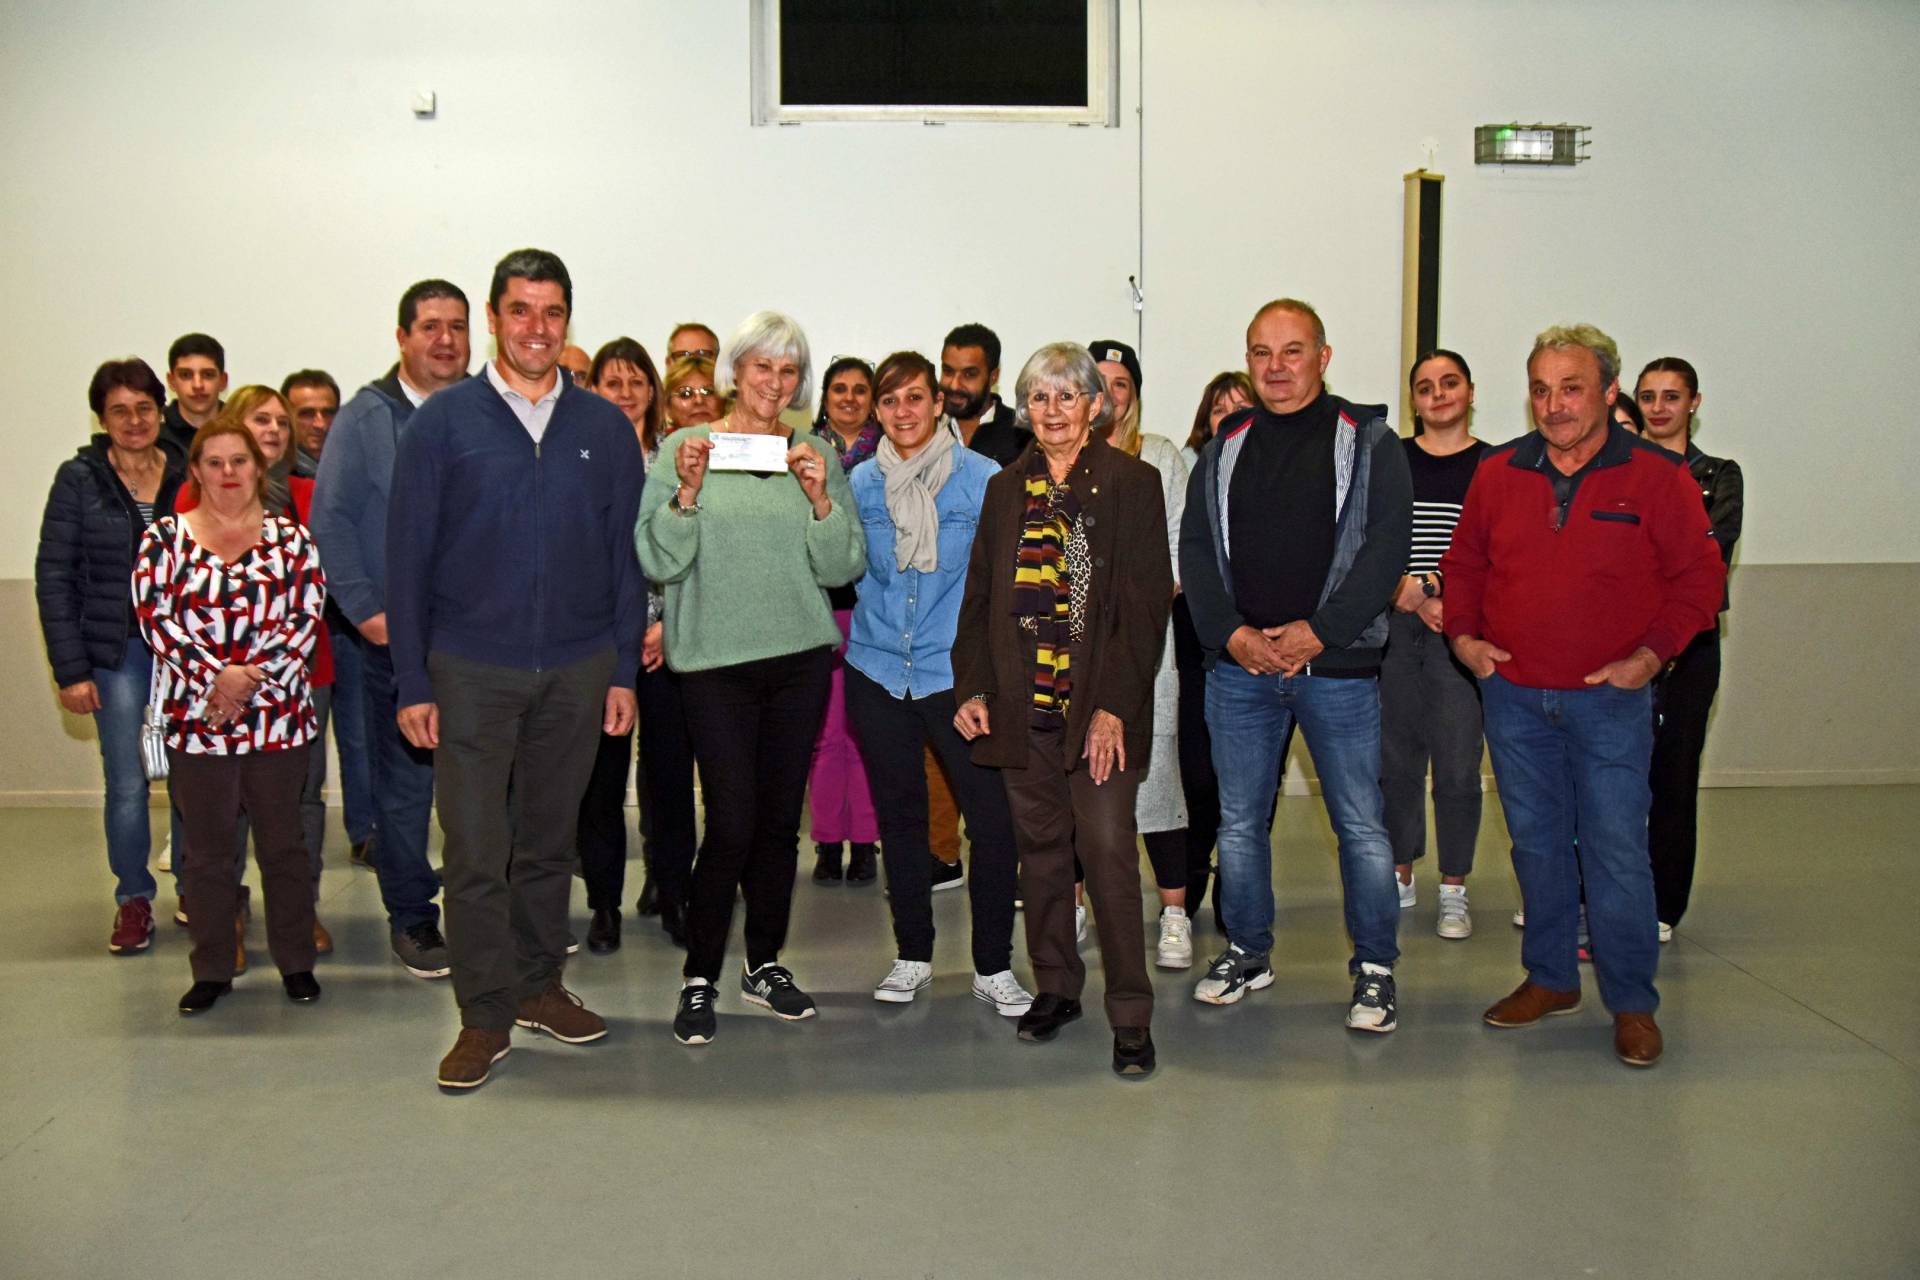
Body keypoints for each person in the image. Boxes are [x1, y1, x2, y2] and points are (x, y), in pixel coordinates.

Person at [388, 248, 643, 1090]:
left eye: (554, 312)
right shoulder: (444, 423)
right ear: (495, 318)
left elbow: (622, 559)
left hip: (576, 669)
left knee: (546, 846)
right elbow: (406, 560)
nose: (538, 328)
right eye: (522, 310)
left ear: (569, 320)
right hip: (470, 670)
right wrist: (414, 683)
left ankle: (538, 985)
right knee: (473, 850)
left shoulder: (603, 428)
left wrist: (621, 676)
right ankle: (483, 1015)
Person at [1443, 323, 1725, 1068]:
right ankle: (1550, 979)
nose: (1555, 404)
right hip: (1513, 698)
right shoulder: (1500, 472)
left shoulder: (1657, 479)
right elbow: (1464, 563)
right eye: (1541, 389)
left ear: (1607, 392)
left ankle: (1632, 1002)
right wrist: (1466, 641)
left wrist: (1650, 656)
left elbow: (1702, 582)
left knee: (1615, 849)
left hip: (1610, 701)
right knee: (1535, 845)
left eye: (1571, 388)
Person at [1180, 299, 1412, 1033]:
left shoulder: (1370, 441)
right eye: (1260, 353)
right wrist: (1233, 635)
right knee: (1241, 824)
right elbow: (1195, 551)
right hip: (1239, 673)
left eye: (1291, 351)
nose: (1275, 367)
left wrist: (1323, 631)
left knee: (1362, 828)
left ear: (1324, 355)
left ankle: (1375, 969)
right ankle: (1247, 952)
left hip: (1336, 672)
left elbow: (1385, 549)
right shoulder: (1226, 446)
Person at [638, 310, 865, 1047]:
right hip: (713, 668)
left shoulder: (816, 457)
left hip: (798, 662)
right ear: (736, 373)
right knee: (731, 821)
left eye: (789, 370)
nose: (775, 382)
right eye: (762, 367)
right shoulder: (684, 447)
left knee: (776, 825)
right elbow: (658, 560)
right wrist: (688, 495)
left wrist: (821, 502)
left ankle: (763, 963)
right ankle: (700, 973)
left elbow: (843, 569)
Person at [953, 341, 1172, 1077]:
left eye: (1068, 396)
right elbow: (979, 598)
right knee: (1040, 854)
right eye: (1039, 397)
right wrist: (974, 688)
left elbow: (1144, 612)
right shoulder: (1004, 489)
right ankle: (1055, 986)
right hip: (1024, 708)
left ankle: (1132, 1013)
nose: (1053, 411)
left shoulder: (1133, 484)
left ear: (1095, 406)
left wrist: (1114, 706)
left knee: (1108, 852)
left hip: (1096, 714)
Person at [844, 351, 1033, 1015]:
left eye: (916, 398)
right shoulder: (860, 483)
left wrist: (992, 681)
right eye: (890, 400)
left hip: (957, 680)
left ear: (938, 402)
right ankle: (913, 954)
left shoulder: (983, 479)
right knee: (901, 820)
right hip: (874, 671)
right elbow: (841, 564)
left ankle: (992, 965)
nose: (904, 411)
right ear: (877, 409)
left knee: (992, 821)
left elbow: (1004, 586)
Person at [133, 411, 327, 1014]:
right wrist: (215, 680)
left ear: (259, 466)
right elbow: (154, 621)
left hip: (280, 718)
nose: (227, 473)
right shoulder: (163, 540)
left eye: (238, 461)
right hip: (198, 721)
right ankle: (212, 968)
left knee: (284, 847)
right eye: (213, 463)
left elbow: (305, 620)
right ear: (195, 471)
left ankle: (296, 962)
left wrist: (245, 684)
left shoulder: (292, 541)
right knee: (209, 855)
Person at [309, 278, 469, 980]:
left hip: (479, 646)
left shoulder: (482, 414)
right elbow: (332, 524)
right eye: (430, 326)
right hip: (399, 647)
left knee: (485, 790)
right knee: (405, 792)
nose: (445, 339)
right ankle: (412, 917)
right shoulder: (366, 418)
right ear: (402, 337)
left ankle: (488, 915)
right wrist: (367, 613)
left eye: (458, 326)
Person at [176, 385, 340, 956]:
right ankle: (226, 930)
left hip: (293, 687)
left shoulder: (304, 504)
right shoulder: (180, 522)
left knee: (295, 811)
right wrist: (218, 676)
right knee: (218, 828)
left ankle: (297, 927)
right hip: (206, 697)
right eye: (259, 420)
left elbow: (308, 602)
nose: (273, 429)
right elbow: (165, 611)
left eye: (280, 421)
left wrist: (251, 676)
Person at [35, 358, 189, 954]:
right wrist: (70, 670)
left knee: (191, 781)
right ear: (102, 417)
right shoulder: (80, 479)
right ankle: (134, 899)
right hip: (115, 652)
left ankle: (197, 892)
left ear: (160, 410)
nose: (134, 421)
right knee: (127, 783)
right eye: (120, 411)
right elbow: (54, 574)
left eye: (145, 408)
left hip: (184, 654)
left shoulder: (183, 472)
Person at [574, 337, 695, 952]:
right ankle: (603, 905)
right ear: (592, 389)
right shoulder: (577, 455)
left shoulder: (677, 458)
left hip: (670, 637)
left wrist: (668, 621)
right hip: (602, 642)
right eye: (611, 383)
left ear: (654, 389)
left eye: (635, 382)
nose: (625, 394)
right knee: (602, 780)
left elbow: (698, 545)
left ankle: (674, 892)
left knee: (671, 776)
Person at [1089, 339, 1194, 968]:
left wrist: (1129, 604)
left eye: (1120, 384)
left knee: (1157, 778)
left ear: (1134, 395)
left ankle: (1175, 913)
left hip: (1147, 643)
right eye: (1096, 383)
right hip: (1071, 652)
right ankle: (1076, 901)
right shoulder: (1061, 457)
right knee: (1079, 776)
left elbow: (1178, 554)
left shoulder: (1160, 458)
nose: (1107, 396)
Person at [1381, 350, 1488, 938]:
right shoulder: (1390, 459)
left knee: (1456, 763)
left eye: (1450, 383)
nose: (1438, 394)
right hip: (1395, 625)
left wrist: (1439, 588)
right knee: (1395, 759)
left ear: (1470, 392)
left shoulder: (1497, 465)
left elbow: (1492, 547)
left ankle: (1454, 886)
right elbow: (1372, 537)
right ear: (1413, 400)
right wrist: (1409, 592)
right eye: (1425, 387)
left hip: (1460, 629)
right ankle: (1400, 872)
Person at [1635, 356, 1742, 940]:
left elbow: (1707, 554)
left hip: (1690, 647)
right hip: (1626, 643)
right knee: (1621, 776)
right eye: (1648, 397)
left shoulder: (1720, 475)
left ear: (1693, 403)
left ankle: (1662, 905)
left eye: (1671, 397)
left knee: (1674, 774)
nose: (1658, 408)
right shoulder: (1623, 471)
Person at [1170, 370, 1277, 930]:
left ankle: (1239, 893)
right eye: (1219, 408)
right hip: (1195, 638)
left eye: (1242, 405)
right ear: (1204, 420)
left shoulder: (1274, 471)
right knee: (1198, 773)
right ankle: (1186, 885)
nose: (1230, 415)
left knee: (1257, 781)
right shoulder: (1186, 473)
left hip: (1262, 645)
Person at [807, 355, 882, 885]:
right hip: (816, 606)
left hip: (874, 609)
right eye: (840, 389)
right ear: (825, 398)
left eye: (860, 389)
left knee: (865, 734)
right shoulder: (802, 454)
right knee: (825, 735)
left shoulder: (891, 453)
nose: (850, 398)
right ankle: (829, 841)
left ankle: (866, 842)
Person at [940, 324, 1030, 466]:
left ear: (993, 376)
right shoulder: (926, 429)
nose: (954, 385)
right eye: (948, 371)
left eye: (969, 374)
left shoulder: (1023, 435)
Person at [160, 333, 227, 453]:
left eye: (208, 375)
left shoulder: (245, 430)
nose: (197, 385)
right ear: (171, 381)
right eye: (186, 375)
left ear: (223, 381)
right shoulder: (155, 434)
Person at [1181, 370, 1255, 469]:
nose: (1230, 417)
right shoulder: (1189, 464)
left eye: (1240, 408)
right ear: (1207, 424)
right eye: (1220, 411)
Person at [281, 369, 341, 478]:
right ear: (286, 418)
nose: (320, 424)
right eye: (307, 414)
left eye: (328, 413)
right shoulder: (272, 480)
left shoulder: (356, 469)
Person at [662, 354, 723, 431]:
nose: (699, 401)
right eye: (686, 394)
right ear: (667, 407)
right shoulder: (658, 442)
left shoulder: (741, 438)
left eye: (708, 392)